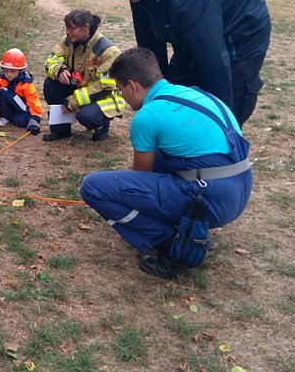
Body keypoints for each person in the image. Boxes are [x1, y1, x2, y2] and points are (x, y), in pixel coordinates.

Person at [79, 48, 252, 279]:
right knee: (163, 152)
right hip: (241, 188)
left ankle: (170, 243)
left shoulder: (148, 116)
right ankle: (192, 226)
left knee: (93, 187)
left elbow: (142, 177)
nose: (122, 97)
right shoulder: (198, 95)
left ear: (132, 85)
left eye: (120, 90)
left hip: (210, 199)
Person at [103, 0, 270, 127]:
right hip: (193, 26)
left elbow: (213, 59)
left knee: (229, 92)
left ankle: (223, 143)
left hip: (240, 30)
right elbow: (149, 51)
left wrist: (220, 119)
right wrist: (154, 101)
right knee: (176, 88)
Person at [42, 9, 126, 142]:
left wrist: (73, 101)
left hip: (104, 96)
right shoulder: (67, 41)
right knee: (50, 84)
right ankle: (61, 129)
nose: (67, 31)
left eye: (71, 28)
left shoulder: (108, 51)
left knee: (86, 116)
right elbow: (51, 61)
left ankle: (101, 125)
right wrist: (59, 71)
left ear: (86, 27)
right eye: (66, 27)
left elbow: (104, 88)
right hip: (80, 88)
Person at [0, 48, 42, 135]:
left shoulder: (26, 84)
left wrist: (34, 121)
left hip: (21, 109)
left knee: (21, 122)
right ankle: (5, 117)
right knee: (1, 91)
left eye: (12, 71)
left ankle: (17, 119)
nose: (9, 74)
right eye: (6, 71)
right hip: (6, 107)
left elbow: (33, 101)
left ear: (21, 70)